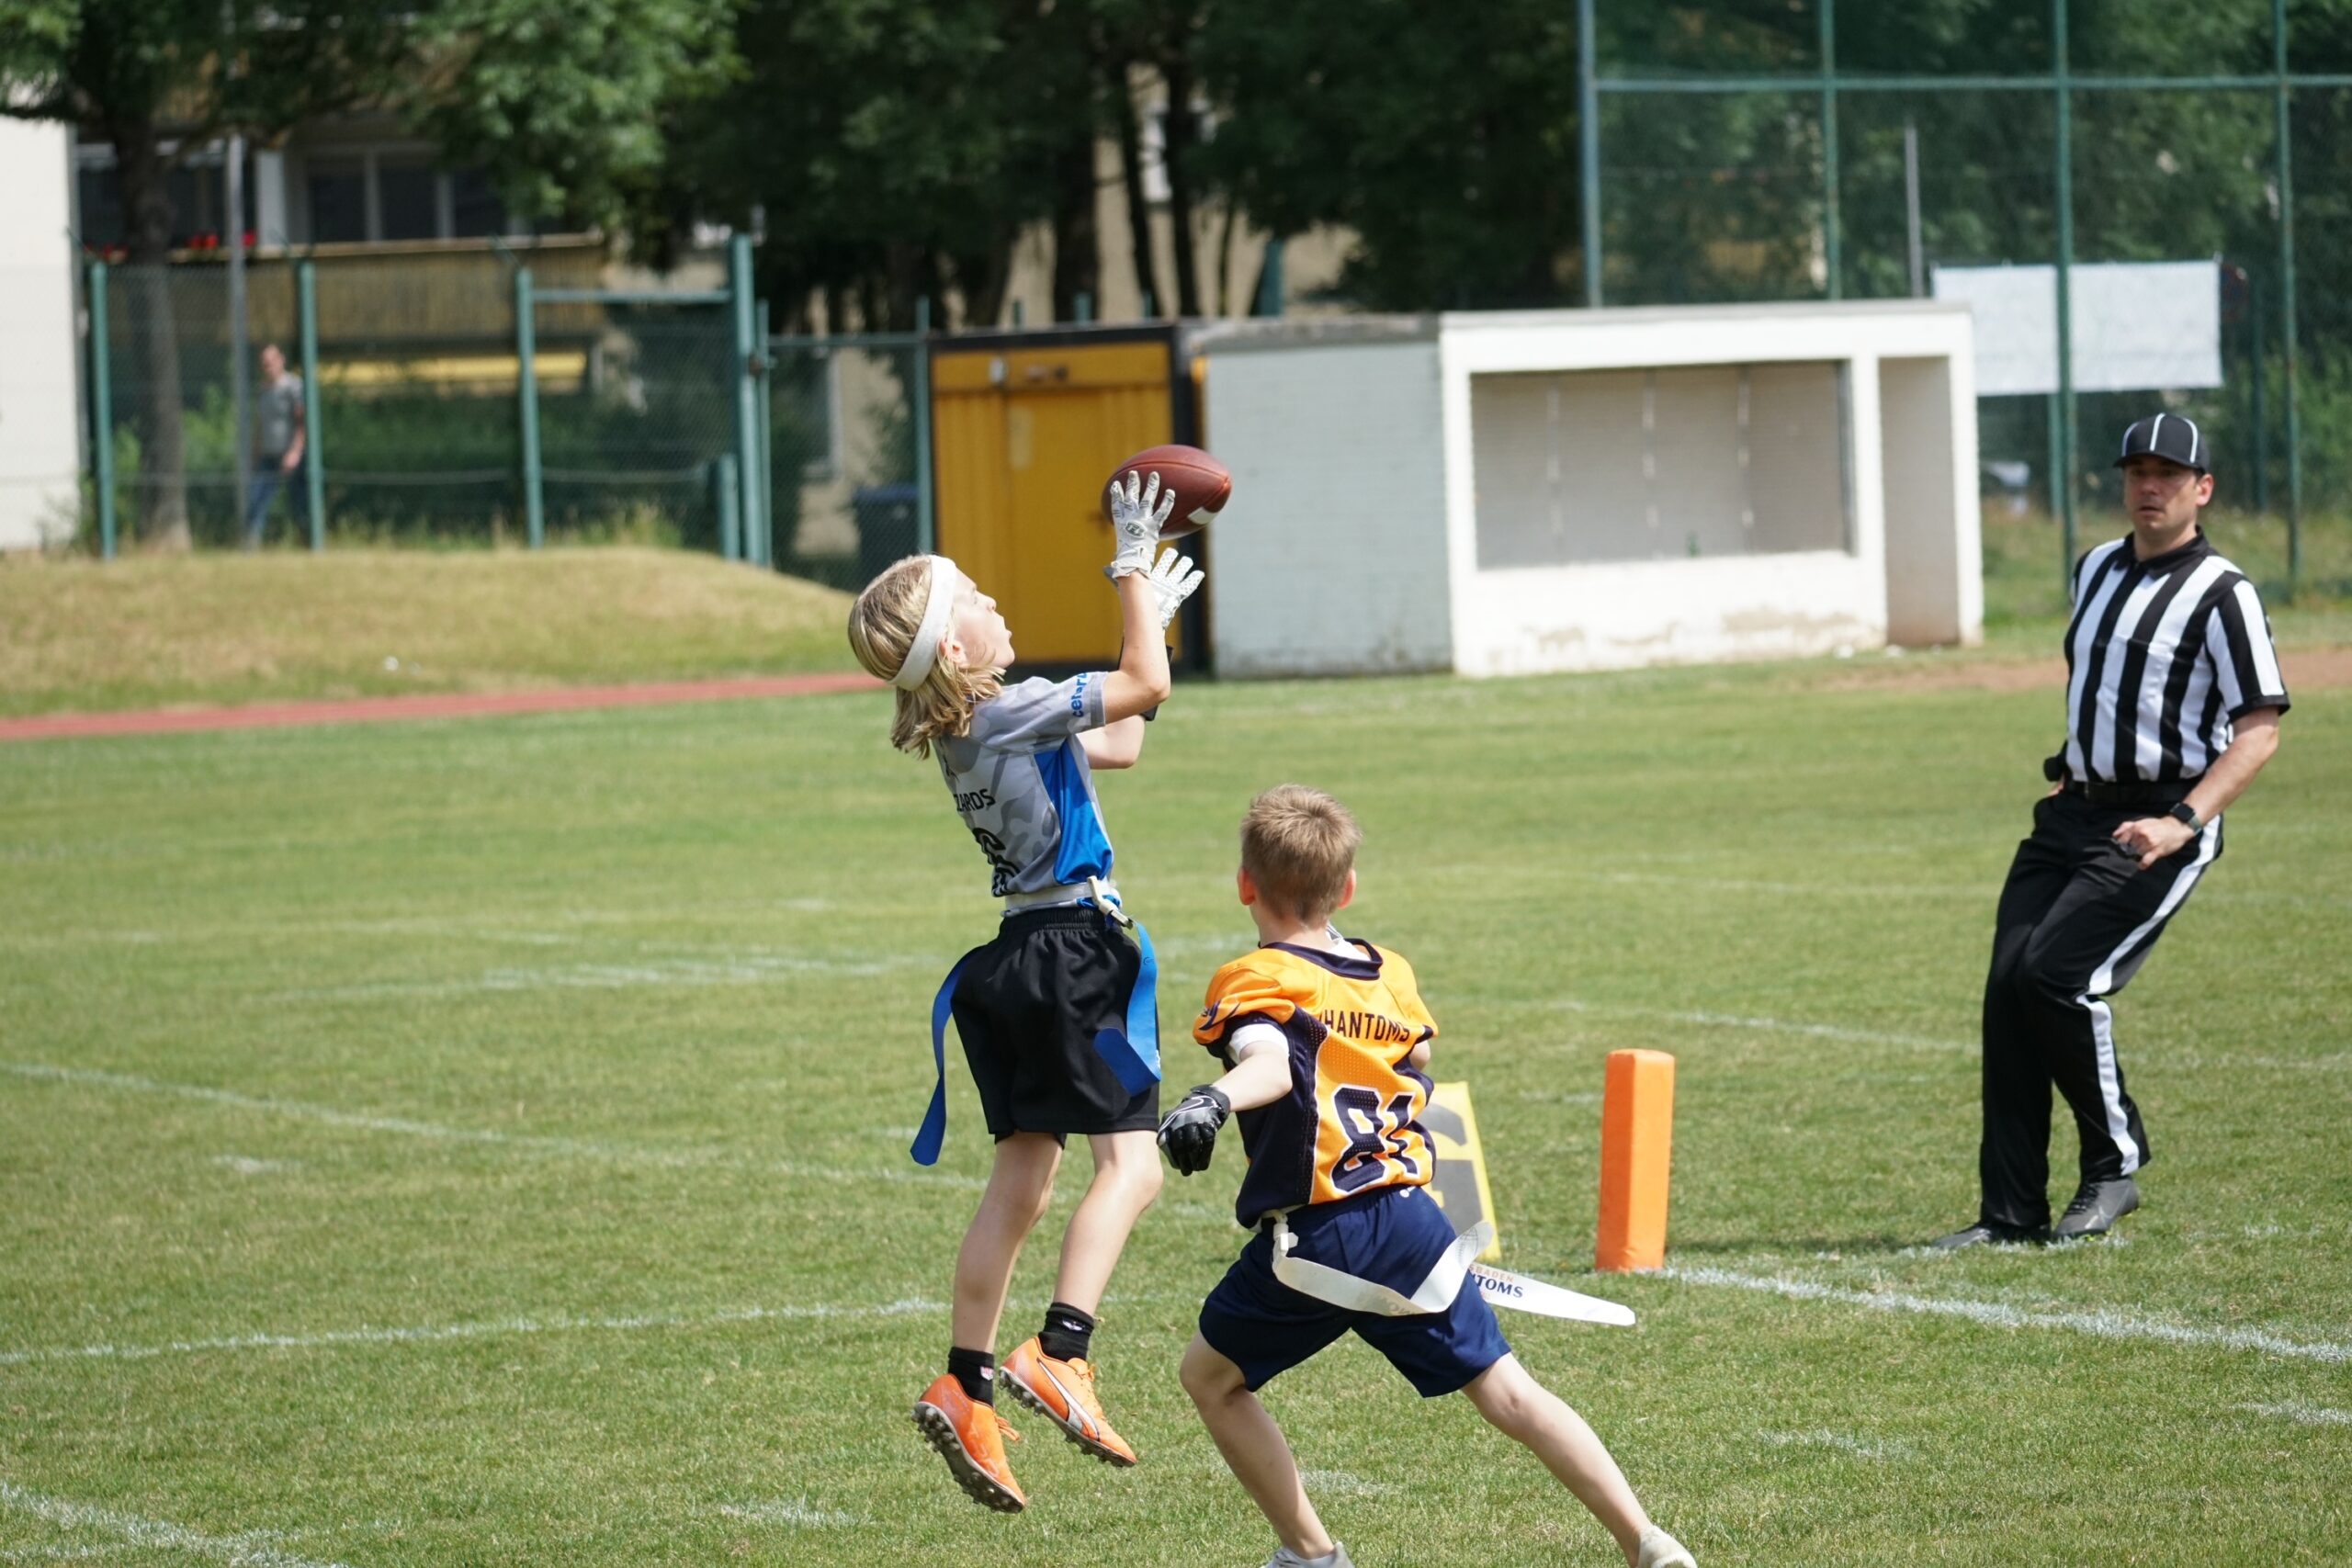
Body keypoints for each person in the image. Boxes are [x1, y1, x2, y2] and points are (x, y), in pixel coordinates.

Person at [1158, 784, 1697, 1568]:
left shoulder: (1256, 977)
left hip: (1323, 1233)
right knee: (1511, 1393)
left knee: (1209, 1377)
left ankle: (1312, 1553)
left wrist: (1210, 1097)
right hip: (1412, 1220)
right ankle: (1648, 1540)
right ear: (1346, 889)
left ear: (1245, 884)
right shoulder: (1388, 972)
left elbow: (1269, 1062)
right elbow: (1418, 1058)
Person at [843, 472, 1204, 1513]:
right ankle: (1060, 1352)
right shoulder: (1004, 713)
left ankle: (965, 1383)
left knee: (1024, 1184)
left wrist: (1155, 622)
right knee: (1131, 1170)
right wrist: (1130, 568)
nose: (998, 607)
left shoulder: (986, 725)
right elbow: (1146, 687)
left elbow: (1125, 738)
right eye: (978, 600)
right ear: (956, 653)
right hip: (1072, 951)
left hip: (1017, 958)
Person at [1935, 414, 2290, 1249]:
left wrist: (2180, 821)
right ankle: (2010, 1214)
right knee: (2007, 993)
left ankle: (2114, 1164)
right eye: (2137, 471)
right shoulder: (2093, 567)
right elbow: (2101, 686)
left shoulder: (2224, 592)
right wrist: (2072, 764)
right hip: (2072, 809)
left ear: (2203, 488)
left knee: (2057, 974)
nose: (2150, 486)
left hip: (2158, 817)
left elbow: (2259, 729)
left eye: (2170, 473)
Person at [243, 344, 310, 547]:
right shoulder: (262, 390)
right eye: (264, 363)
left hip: (290, 455)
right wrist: (255, 454)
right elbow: (259, 425)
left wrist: (295, 452)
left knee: (299, 503)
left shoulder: (294, 386)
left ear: (281, 360)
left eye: (271, 361)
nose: (268, 366)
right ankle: (250, 547)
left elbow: (301, 422)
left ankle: (307, 543)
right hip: (267, 456)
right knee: (256, 501)